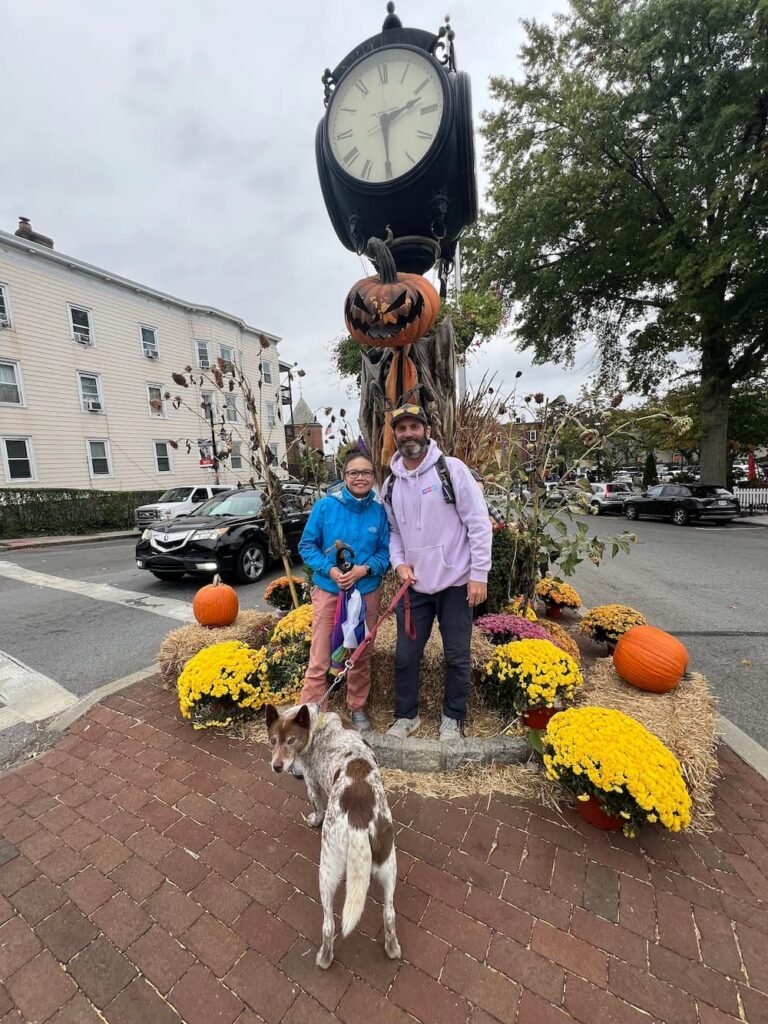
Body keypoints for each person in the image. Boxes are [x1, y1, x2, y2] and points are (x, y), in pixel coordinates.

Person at [383, 404, 492, 740]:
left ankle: (452, 718)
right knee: (405, 656)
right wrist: (399, 563)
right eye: (401, 429)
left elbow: (478, 523)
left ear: (427, 431)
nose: (408, 434)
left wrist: (479, 574)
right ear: (395, 435)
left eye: (414, 426)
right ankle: (407, 716)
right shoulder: (390, 485)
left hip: (456, 583)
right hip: (415, 586)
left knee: (457, 655)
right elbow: (395, 532)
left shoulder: (452, 470)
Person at [298, 451, 390, 732]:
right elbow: (307, 546)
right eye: (354, 473)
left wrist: (365, 569)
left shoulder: (379, 511)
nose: (360, 478)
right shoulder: (326, 507)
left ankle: (357, 707)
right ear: (344, 476)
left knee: (360, 654)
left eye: (366, 473)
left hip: (366, 594)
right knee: (320, 656)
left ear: (374, 478)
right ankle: (311, 717)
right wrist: (331, 571)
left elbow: (385, 552)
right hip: (331, 593)